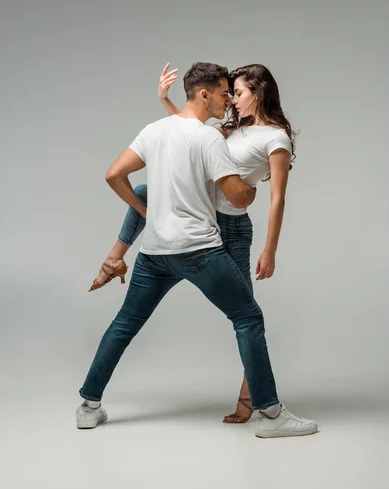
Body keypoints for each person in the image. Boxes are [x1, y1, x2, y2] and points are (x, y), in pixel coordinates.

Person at [78, 62, 317, 438]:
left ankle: (88, 405)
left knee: (126, 323)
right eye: (227, 93)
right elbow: (235, 188)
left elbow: (118, 171)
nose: (231, 100)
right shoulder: (213, 135)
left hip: (164, 249)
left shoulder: (166, 131)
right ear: (206, 95)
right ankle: (272, 416)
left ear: (259, 92)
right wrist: (248, 192)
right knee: (248, 318)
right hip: (199, 247)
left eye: (236, 93)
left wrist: (269, 249)